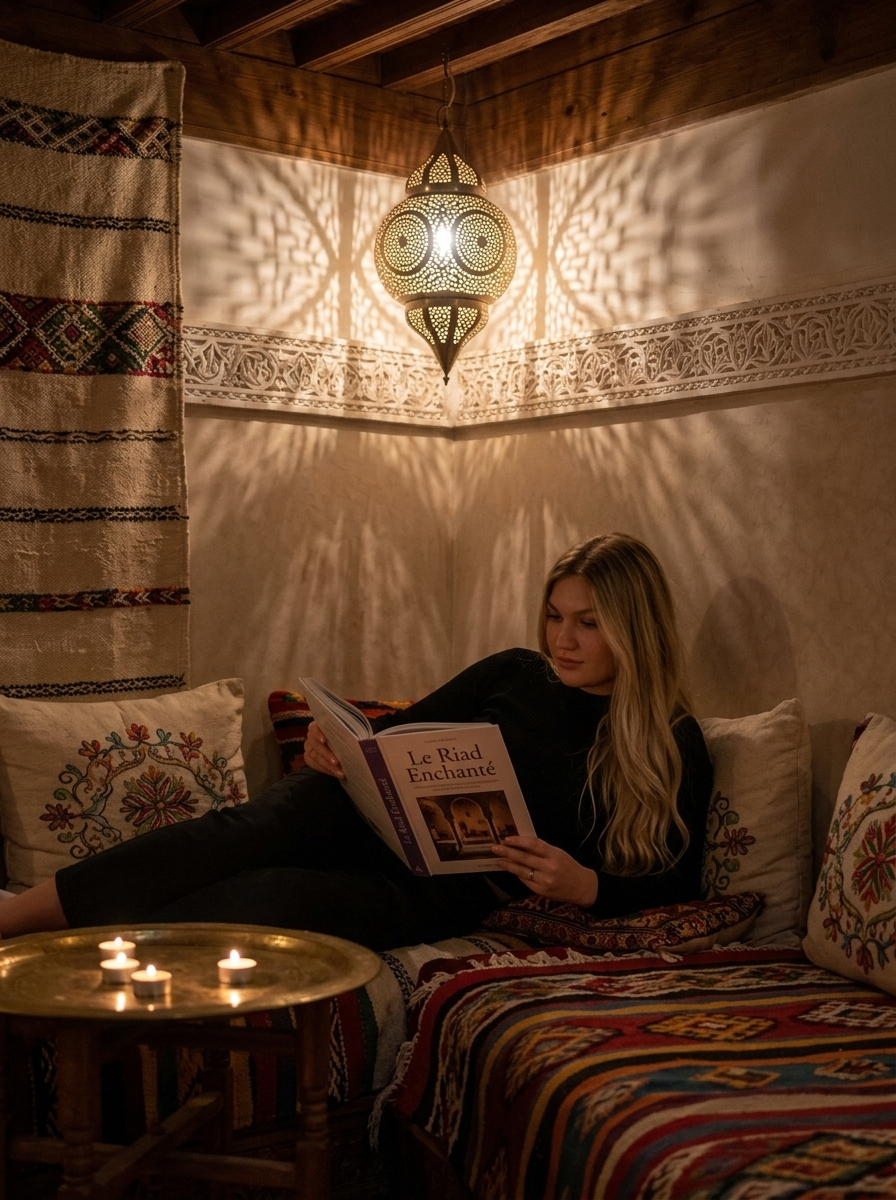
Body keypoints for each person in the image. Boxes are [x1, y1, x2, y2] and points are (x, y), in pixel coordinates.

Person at [0, 534, 713, 950]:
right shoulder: (515, 673)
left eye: (587, 622)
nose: (562, 638)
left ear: (633, 625)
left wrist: (586, 884)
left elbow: (682, 882)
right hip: (362, 817)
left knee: (271, 898)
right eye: (556, 616)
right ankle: (16, 916)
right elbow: (391, 738)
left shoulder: (671, 740)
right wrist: (329, 744)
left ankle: (76, 954)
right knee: (243, 830)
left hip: (447, 888)